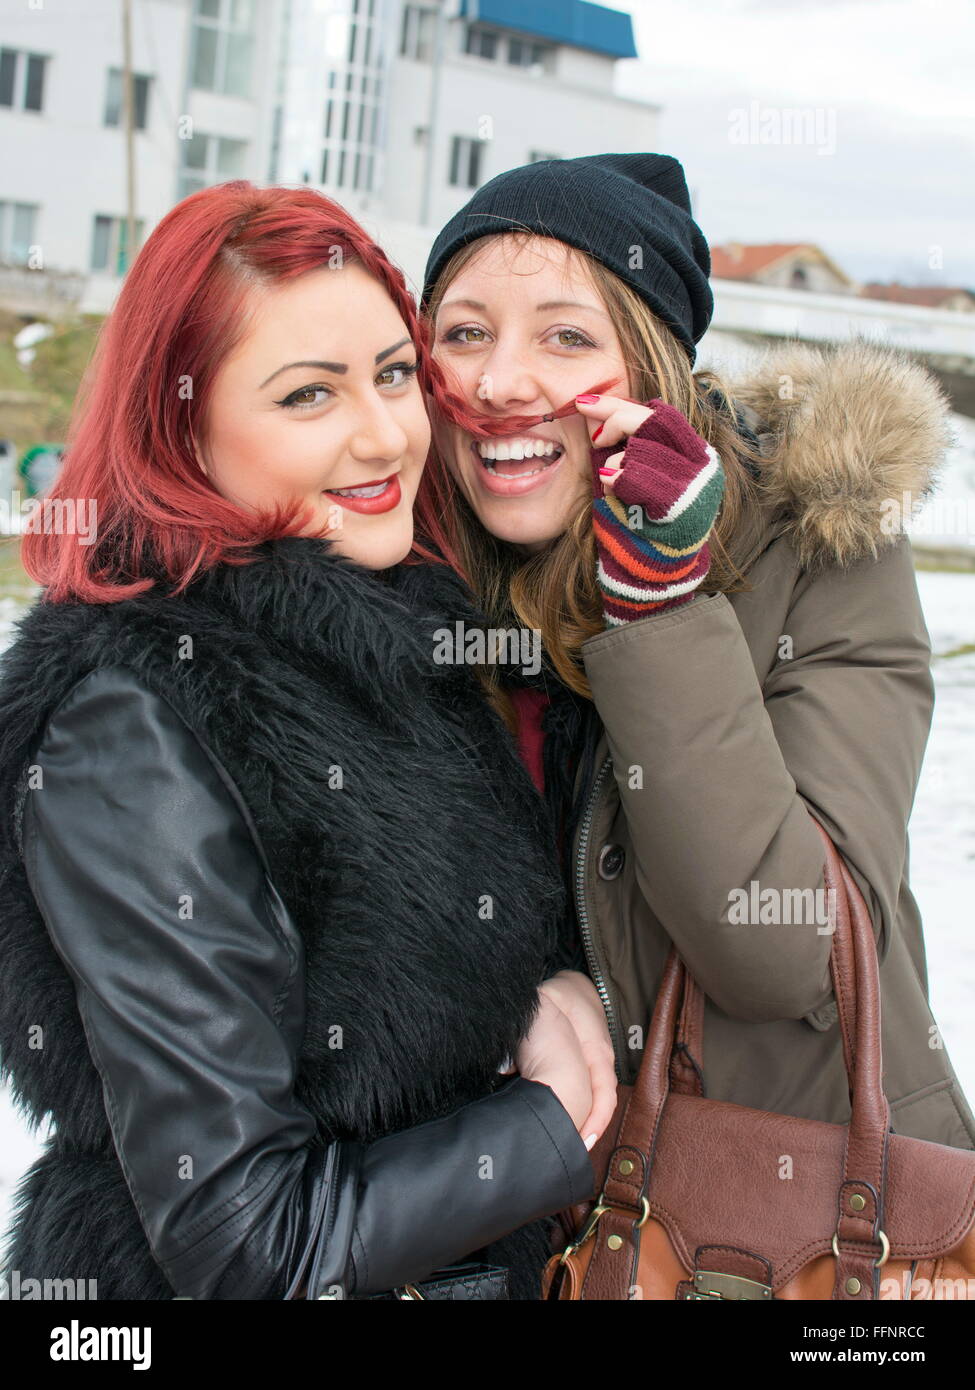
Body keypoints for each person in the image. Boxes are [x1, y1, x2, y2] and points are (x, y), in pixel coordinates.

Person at [0, 181, 599, 1303]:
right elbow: (247, 1245)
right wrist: (540, 1122)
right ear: (181, 426)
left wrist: (542, 988)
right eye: (307, 395)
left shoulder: (398, 632)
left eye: (391, 373)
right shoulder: (134, 718)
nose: (384, 433)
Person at [418, 152, 975, 1152]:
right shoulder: (404, 573)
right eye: (465, 333)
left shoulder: (816, 546)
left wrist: (660, 607)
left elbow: (780, 952)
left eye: (567, 335)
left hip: (786, 1230)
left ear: (652, 371)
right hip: (514, 1220)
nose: (501, 381)